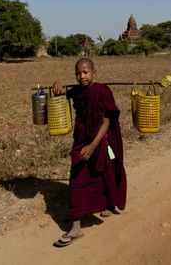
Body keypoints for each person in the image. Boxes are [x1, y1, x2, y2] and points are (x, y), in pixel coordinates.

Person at [51, 58, 127, 247]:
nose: (81, 76)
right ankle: (76, 226)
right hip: (81, 139)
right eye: (78, 73)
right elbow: (61, 95)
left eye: (85, 72)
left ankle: (108, 203)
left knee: (104, 172)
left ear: (94, 72)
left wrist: (93, 146)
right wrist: (56, 88)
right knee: (77, 180)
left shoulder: (103, 91)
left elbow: (107, 120)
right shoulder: (77, 92)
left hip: (100, 140)